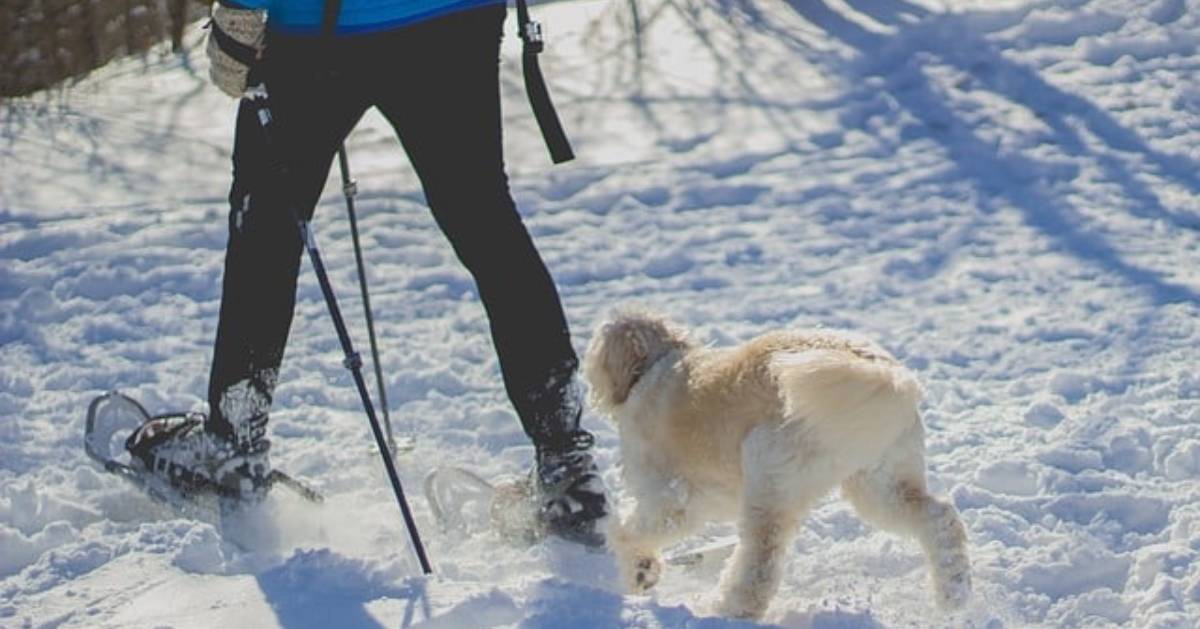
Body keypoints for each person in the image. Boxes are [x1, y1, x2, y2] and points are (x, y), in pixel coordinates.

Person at [122, 0, 607, 547]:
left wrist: (237, 12)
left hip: (317, 29)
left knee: (268, 229)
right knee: (484, 219)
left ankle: (233, 445)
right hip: (451, 20)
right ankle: (567, 466)